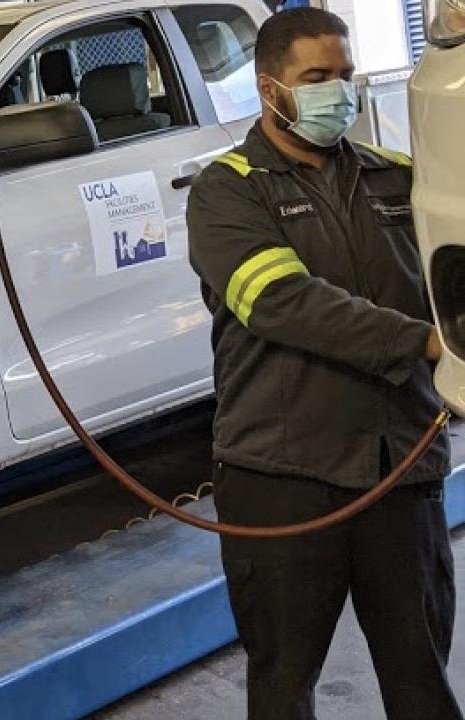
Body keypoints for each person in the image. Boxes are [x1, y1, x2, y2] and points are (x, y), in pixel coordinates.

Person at [187, 9, 461, 720]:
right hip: (283, 475)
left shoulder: (397, 177)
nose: (336, 92)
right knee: (283, 687)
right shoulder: (228, 190)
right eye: (316, 79)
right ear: (270, 86)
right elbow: (285, 302)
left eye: (344, 76)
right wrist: (427, 343)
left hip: (398, 466)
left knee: (421, 681)